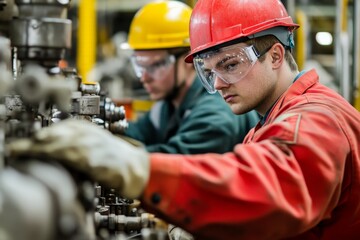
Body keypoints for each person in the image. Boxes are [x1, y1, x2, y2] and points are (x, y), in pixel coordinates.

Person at [7, 0, 360, 239]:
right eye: (209, 72)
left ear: (276, 55)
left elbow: (270, 189)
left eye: (231, 64)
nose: (219, 83)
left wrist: (135, 167)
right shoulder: (271, 119)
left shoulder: (317, 118)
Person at [122, 0, 259, 154]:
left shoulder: (215, 115)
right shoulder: (167, 106)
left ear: (189, 60)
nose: (144, 78)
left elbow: (176, 162)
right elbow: (138, 133)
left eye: (155, 66)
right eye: (140, 66)